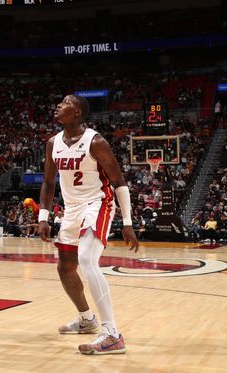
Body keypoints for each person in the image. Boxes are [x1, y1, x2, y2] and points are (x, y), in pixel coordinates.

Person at [38, 94, 139, 355]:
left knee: (86, 260)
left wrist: (127, 222)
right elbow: (49, 183)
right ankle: (87, 320)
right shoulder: (52, 143)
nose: (59, 105)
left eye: (66, 103)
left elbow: (119, 181)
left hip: (98, 203)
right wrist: (43, 217)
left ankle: (112, 334)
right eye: (59, 102)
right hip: (72, 209)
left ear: (78, 113)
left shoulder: (96, 142)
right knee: (65, 267)